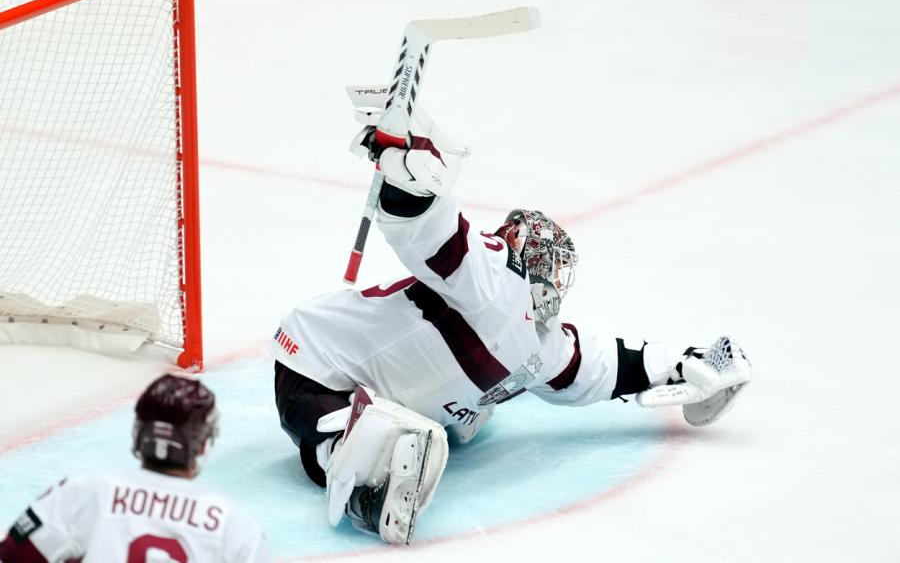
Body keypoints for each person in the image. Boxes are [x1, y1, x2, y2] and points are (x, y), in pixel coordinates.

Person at [272, 109, 753, 545]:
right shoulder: (492, 274)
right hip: (318, 363)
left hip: (381, 384)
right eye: (543, 257)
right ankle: (360, 485)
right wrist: (413, 180)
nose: (550, 276)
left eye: (556, 266)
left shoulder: (545, 345)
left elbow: (604, 366)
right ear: (515, 249)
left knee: (443, 427)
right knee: (352, 437)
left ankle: (385, 443)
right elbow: (431, 233)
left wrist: (684, 366)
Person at [0, 374, 273, 563]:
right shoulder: (235, 527)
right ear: (203, 445)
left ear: (139, 433)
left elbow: (13, 556)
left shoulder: (84, 492)